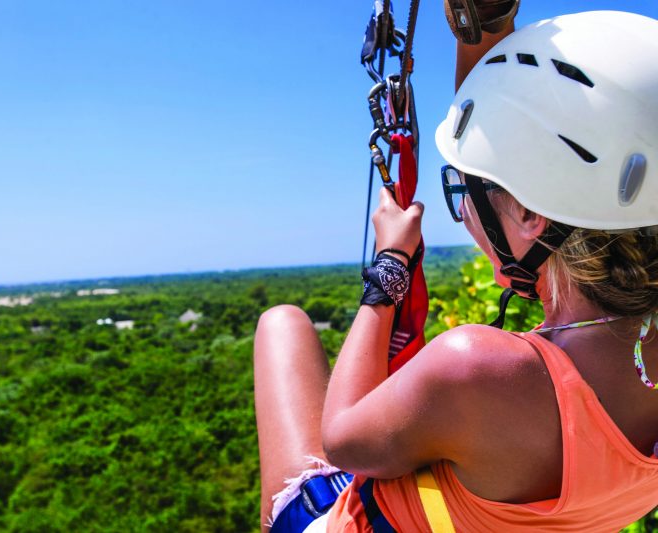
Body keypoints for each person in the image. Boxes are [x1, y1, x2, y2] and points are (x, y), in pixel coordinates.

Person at [254, 6, 658, 532]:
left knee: (281, 324)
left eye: (468, 191)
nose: (465, 205)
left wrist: (389, 268)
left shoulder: (478, 369)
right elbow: (522, 202)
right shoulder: (621, 322)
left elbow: (344, 442)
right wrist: (486, 32)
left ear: (532, 215)